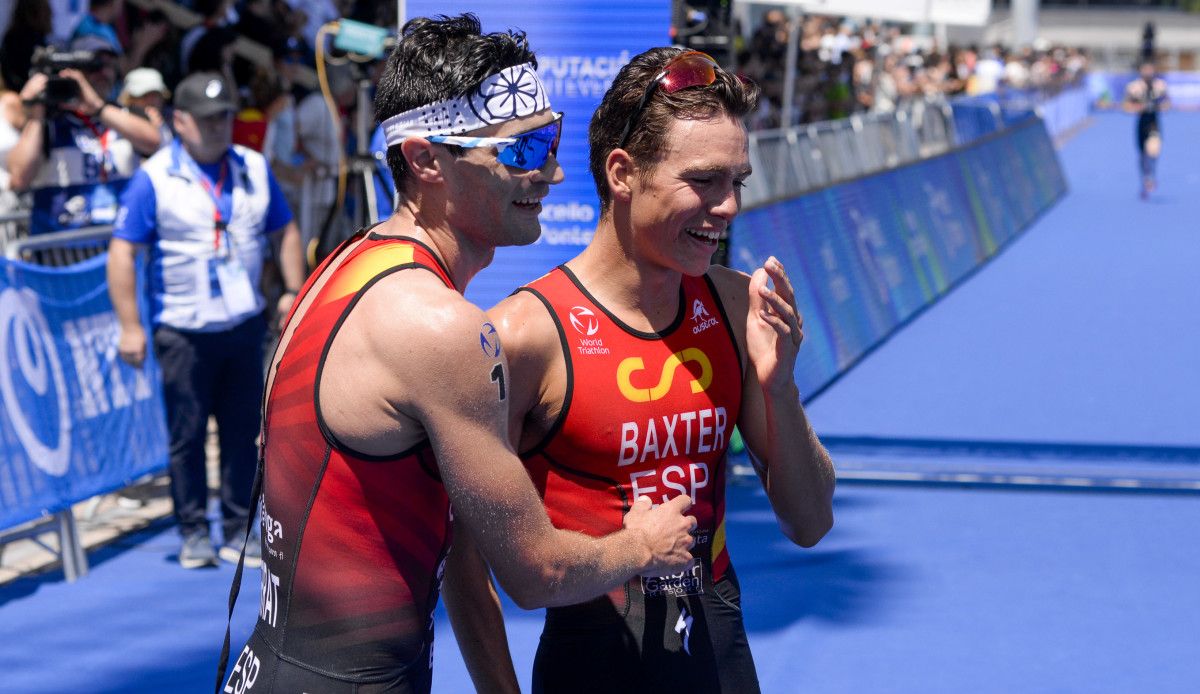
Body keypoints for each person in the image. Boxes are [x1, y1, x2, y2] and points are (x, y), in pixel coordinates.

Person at [220, 15, 697, 694]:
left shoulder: (347, 265)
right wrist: (644, 544)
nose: (554, 172)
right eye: (524, 150)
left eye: (551, 139)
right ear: (425, 160)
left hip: (273, 668)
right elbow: (538, 572)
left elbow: (461, 559)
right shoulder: (439, 327)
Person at [474, 47, 836, 693]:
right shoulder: (524, 334)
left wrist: (780, 387)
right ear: (622, 173)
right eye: (703, 181)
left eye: (737, 182)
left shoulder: (731, 304)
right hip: (592, 656)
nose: (727, 206)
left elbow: (808, 523)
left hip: (717, 643)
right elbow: (467, 563)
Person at [106, 71, 307, 570]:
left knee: (244, 432)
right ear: (180, 121)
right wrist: (130, 325)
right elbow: (122, 250)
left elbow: (283, 229)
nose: (220, 127)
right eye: (207, 119)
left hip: (241, 323)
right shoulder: (154, 176)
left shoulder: (253, 167)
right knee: (187, 434)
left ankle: (242, 527)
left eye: (225, 117)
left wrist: (291, 291)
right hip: (182, 329)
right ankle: (193, 529)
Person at [7, 36, 162, 234]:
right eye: (93, 65)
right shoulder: (48, 123)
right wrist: (36, 111)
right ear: (71, 72)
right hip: (61, 251)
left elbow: (153, 142)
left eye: (108, 65)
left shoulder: (127, 116)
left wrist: (98, 109)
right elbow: (20, 178)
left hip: (117, 243)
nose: (102, 72)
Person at [1123, 59, 1168, 200]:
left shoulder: (1160, 86)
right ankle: (1145, 179)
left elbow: (1167, 103)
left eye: (1150, 69)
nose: (1148, 73)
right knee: (1142, 155)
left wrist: (1160, 107)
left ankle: (1152, 175)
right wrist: (1138, 108)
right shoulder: (1134, 87)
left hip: (1154, 121)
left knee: (1154, 150)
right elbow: (1126, 106)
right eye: (1145, 70)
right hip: (1141, 122)